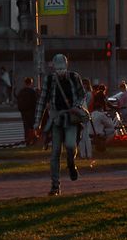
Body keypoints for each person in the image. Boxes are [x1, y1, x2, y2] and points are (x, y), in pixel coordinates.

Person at [33, 54, 87, 196]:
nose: (60, 71)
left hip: (71, 118)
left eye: (62, 68)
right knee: (55, 153)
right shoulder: (49, 79)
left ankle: (71, 164)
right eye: (58, 69)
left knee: (70, 145)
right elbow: (42, 101)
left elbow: (82, 94)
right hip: (56, 119)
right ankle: (55, 186)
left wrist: (76, 106)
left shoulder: (74, 77)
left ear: (66, 66)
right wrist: (37, 123)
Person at [16, 77, 37, 146]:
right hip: (31, 112)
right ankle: (32, 141)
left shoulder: (21, 91)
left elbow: (18, 99)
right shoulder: (32, 91)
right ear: (31, 83)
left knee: (26, 127)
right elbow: (35, 102)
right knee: (32, 127)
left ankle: (27, 141)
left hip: (23, 112)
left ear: (25, 83)